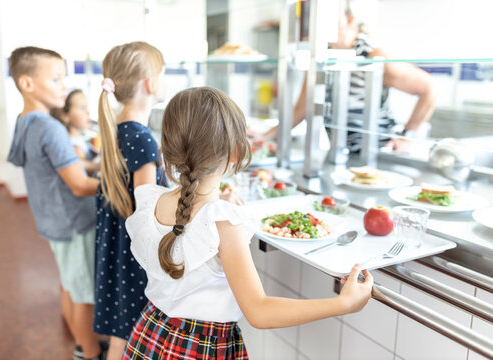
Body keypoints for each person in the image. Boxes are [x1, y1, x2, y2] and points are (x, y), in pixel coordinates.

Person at [123, 87, 373, 359]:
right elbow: (259, 311)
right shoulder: (223, 222)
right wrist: (343, 303)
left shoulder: (153, 202)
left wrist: (218, 202)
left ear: (167, 149)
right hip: (198, 349)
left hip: (150, 335)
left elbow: (192, 221)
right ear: (236, 152)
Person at [6, 46, 104, 360]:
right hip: (74, 223)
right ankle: (88, 353)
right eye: (56, 78)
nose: (63, 85)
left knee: (70, 287)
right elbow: (78, 185)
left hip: (52, 220)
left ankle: (81, 342)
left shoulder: (25, 121)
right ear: (27, 84)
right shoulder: (51, 127)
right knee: (84, 296)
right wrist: (117, 187)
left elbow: (56, 169)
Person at [261, 0, 435, 154]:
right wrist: (263, 137)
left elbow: (429, 90)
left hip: (379, 153)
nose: (317, 23)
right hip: (340, 155)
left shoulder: (372, 55)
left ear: (349, 20)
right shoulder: (321, 55)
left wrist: (407, 136)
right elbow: (302, 108)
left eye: (326, 16)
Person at [93, 41, 168, 360]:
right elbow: (147, 208)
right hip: (135, 254)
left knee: (121, 335)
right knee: (131, 335)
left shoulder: (120, 129)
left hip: (116, 248)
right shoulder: (142, 138)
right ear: (150, 82)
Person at [50, 89, 100, 175]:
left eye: (87, 107)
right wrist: (98, 166)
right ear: (65, 115)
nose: (87, 112)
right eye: (82, 108)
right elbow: (76, 164)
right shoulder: (75, 147)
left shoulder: (77, 139)